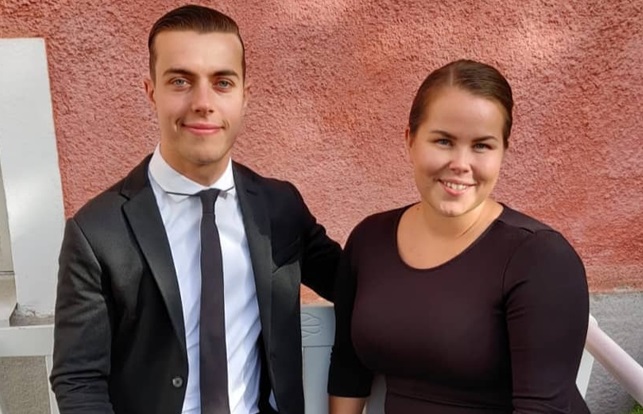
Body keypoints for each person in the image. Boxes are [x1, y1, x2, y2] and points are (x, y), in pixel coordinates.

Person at [50, 5, 341, 414]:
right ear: (151, 92)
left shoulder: (280, 208)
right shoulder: (97, 232)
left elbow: (359, 286)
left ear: (244, 96)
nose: (203, 102)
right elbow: (78, 380)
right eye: (180, 81)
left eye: (222, 82)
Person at [327, 59, 590, 413]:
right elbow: (349, 368)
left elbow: (543, 409)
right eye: (443, 141)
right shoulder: (369, 240)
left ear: (503, 152)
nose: (461, 164)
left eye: (482, 146)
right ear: (410, 140)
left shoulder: (540, 258)